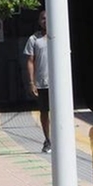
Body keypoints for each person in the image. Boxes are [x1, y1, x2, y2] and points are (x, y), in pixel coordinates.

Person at [25, 11, 51, 153]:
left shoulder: (59, 35)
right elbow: (30, 61)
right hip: (42, 82)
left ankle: (60, 138)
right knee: (44, 112)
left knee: (59, 112)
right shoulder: (34, 39)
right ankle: (48, 139)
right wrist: (31, 82)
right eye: (42, 19)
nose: (45, 21)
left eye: (47, 18)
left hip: (58, 84)